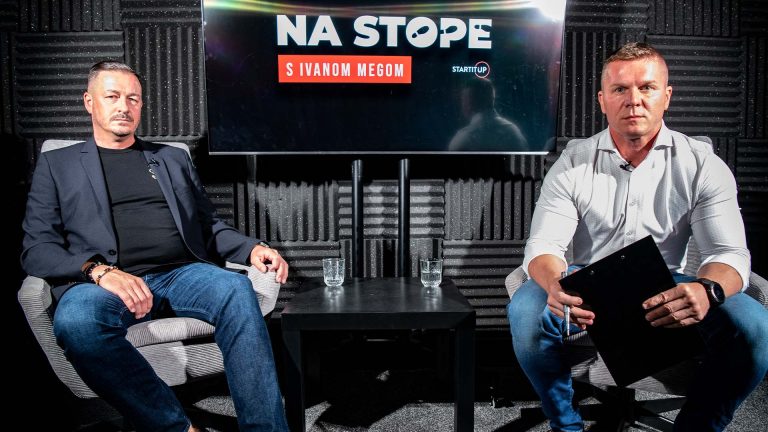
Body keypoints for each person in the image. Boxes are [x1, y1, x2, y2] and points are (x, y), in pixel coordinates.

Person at [507, 42, 768, 432]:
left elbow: (729, 253)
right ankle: (565, 423)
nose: (634, 100)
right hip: (586, 282)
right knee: (526, 310)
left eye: (647, 87)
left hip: (669, 283)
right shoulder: (573, 162)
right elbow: (544, 246)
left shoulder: (703, 164)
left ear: (667, 96)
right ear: (602, 100)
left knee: (756, 327)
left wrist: (708, 290)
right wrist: (554, 284)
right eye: (620, 89)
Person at [21, 61, 290, 432]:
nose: (124, 106)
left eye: (133, 98)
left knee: (236, 289)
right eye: (112, 97)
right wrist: (99, 271)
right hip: (103, 284)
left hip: (181, 273)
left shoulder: (171, 158)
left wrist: (250, 249)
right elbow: (37, 248)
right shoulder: (58, 164)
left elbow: (207, 225)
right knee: (77, 323)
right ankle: (176, 427)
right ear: (89, 102)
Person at [448, 77, 528, 152]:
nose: (462, 104)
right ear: (492, 99)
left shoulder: (463, 139)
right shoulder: (514, 132)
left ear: (468, 102)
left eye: (463, 99)